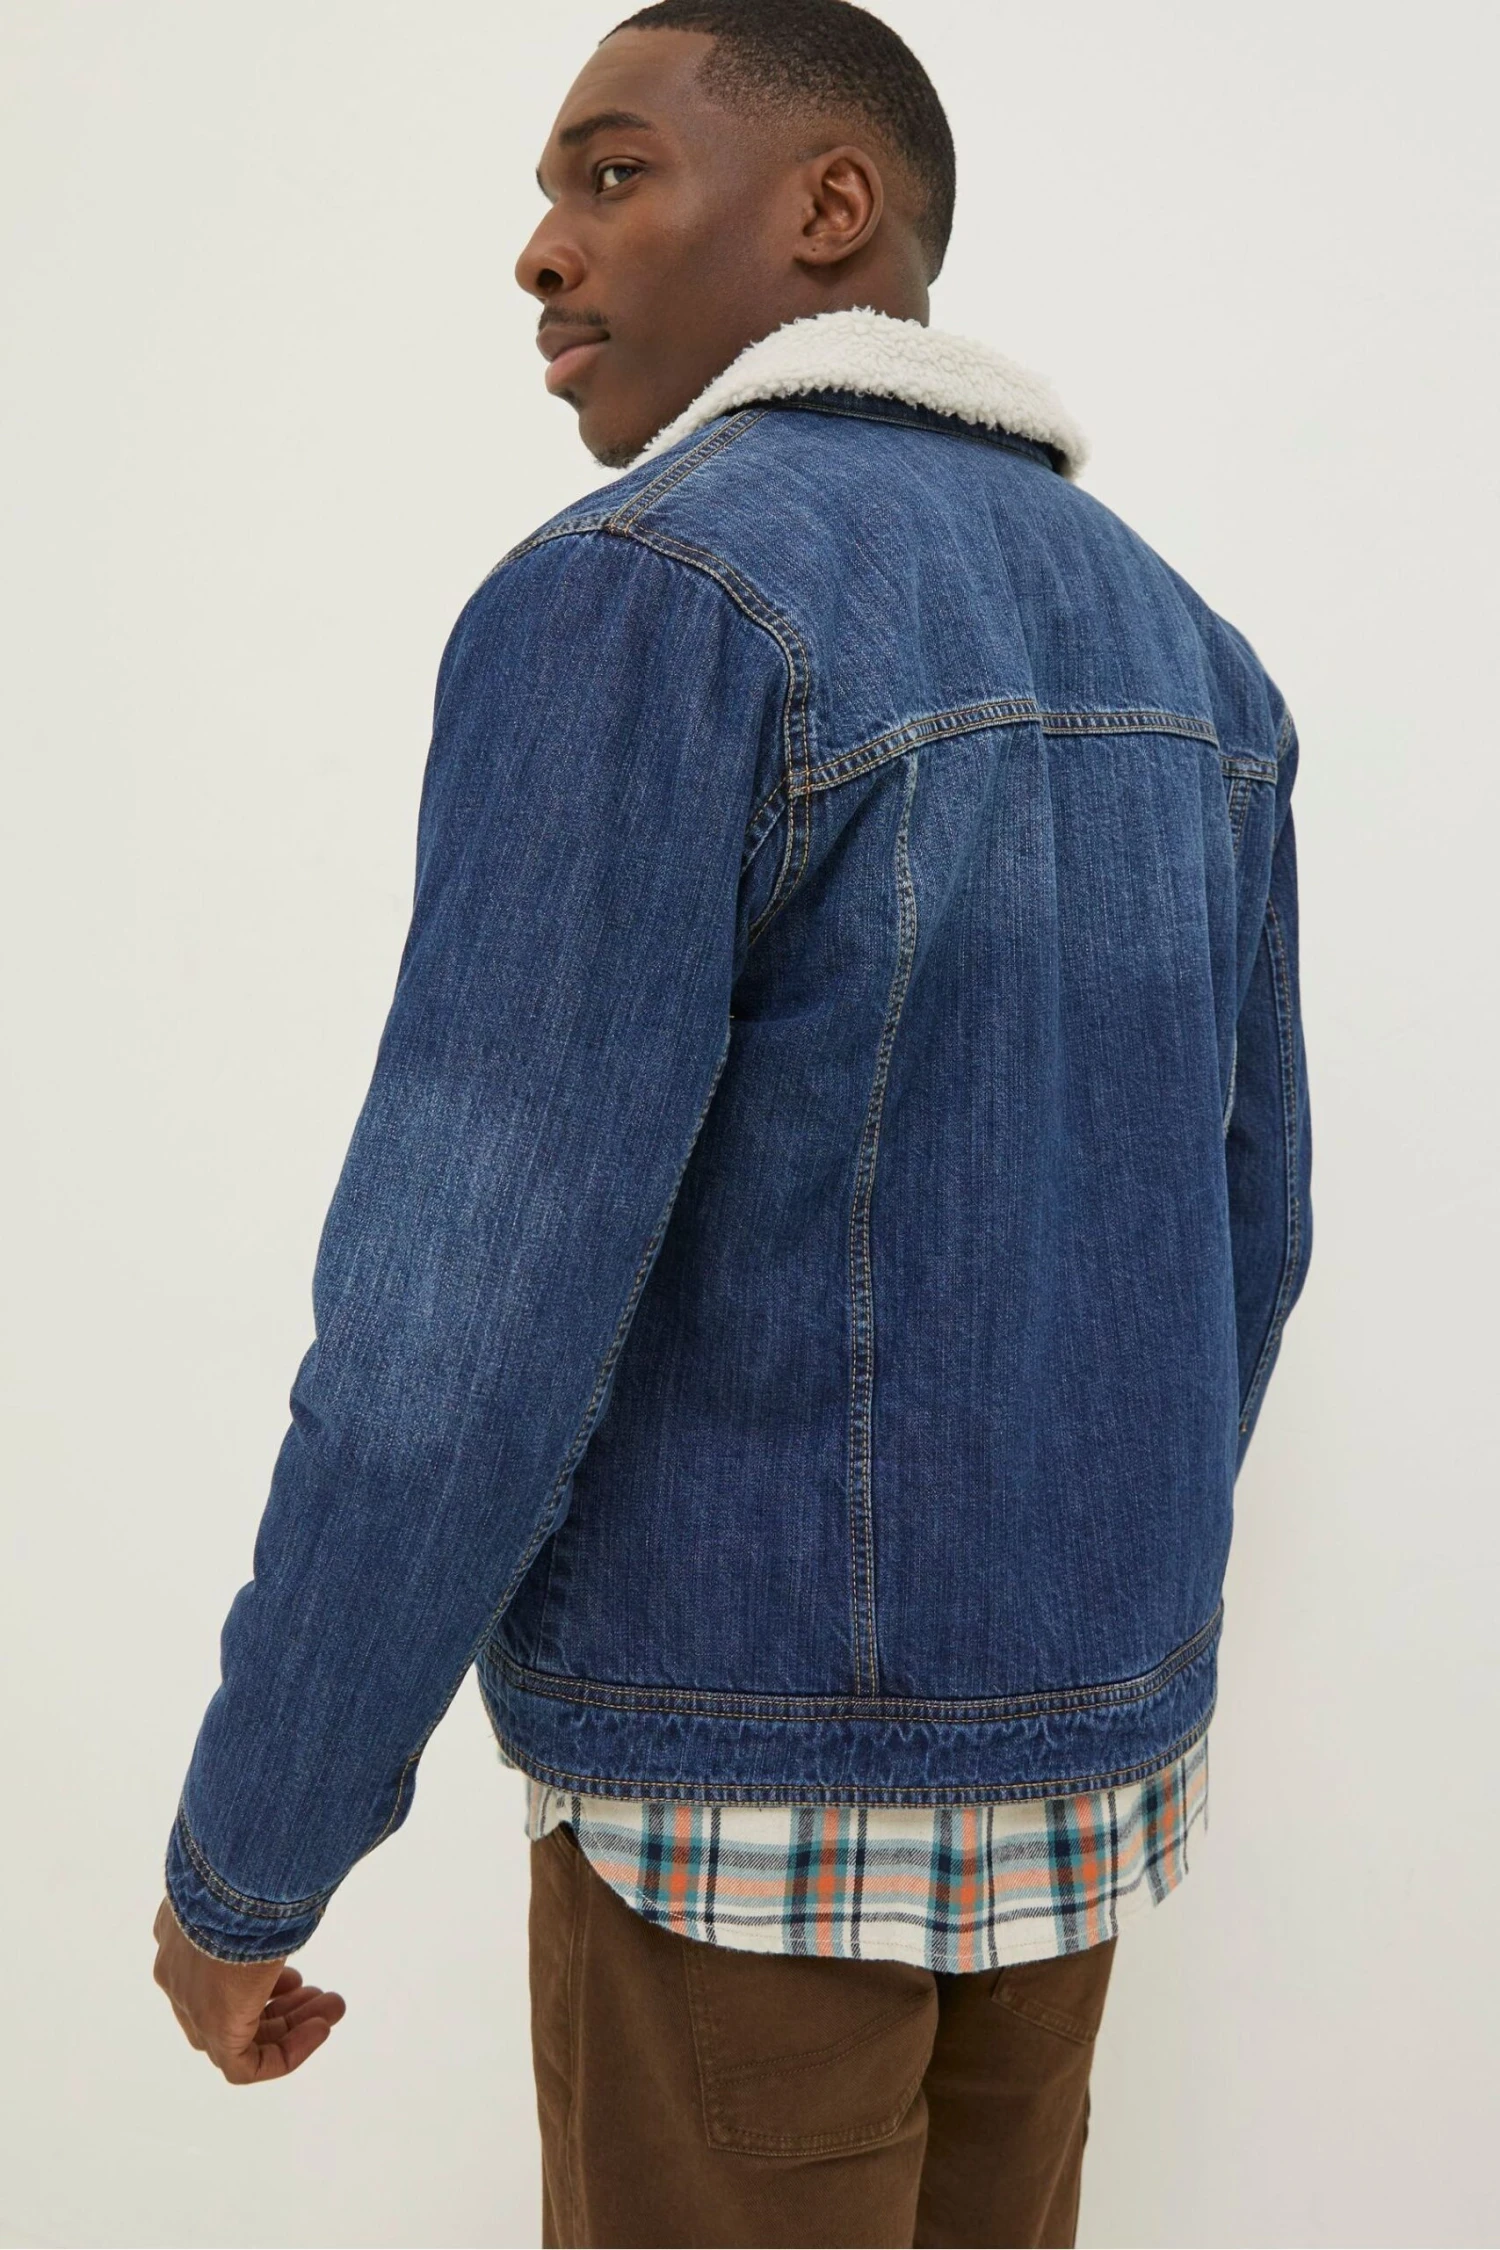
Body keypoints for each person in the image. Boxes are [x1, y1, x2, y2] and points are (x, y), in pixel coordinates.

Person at [152, 3, 1313, 2243]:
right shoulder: (1194, 655)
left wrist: (256, 1844)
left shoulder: (640, 601)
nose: (540, 249)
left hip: (734, 1826)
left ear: (831, 209)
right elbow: (1242, 1237)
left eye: (610, 175)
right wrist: (1077, 1641)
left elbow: (465, 1313)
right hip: (1075, 1804)